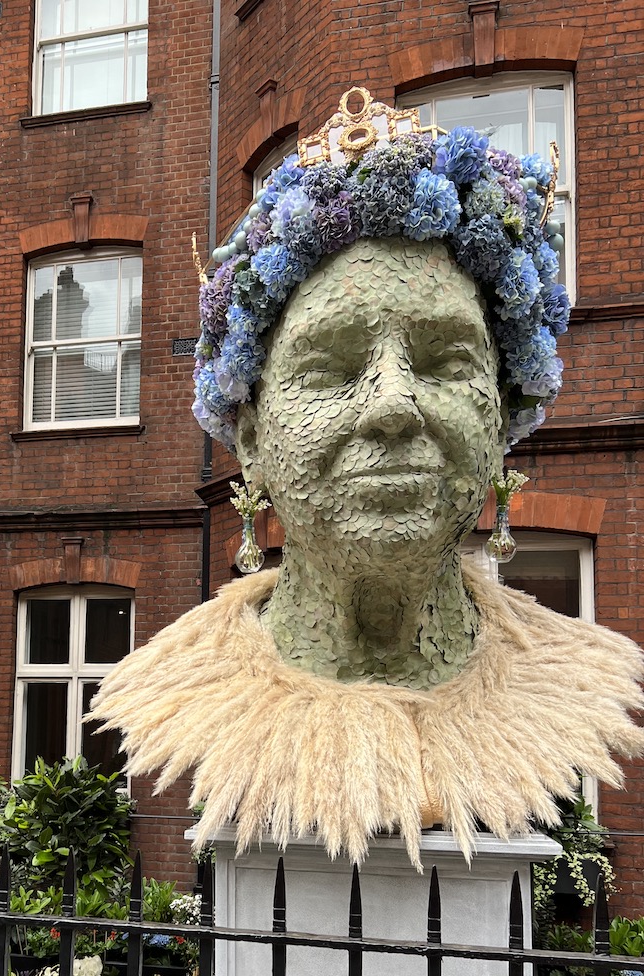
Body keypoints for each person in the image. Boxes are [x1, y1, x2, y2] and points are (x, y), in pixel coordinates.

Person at [92, 90, 644, 866]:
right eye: (331, 366)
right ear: (250, 435)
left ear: (501, 419)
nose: (392, 404)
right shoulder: (175, 686)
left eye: (446, 360)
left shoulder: (577, 683)